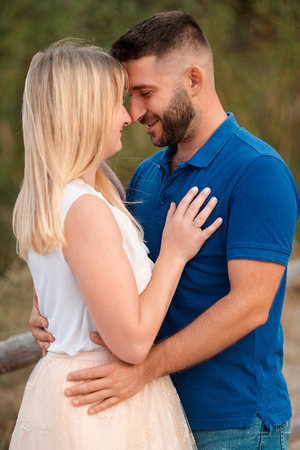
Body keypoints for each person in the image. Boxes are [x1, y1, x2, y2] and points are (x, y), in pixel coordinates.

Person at [30, 12, 300, 450]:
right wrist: (50, 305)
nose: (134, 112)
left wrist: (144, 368)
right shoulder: (146, 175)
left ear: (193, 79)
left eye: (144, 93)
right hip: (144, 414)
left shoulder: (258, 171)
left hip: (230, 421)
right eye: (128, 95)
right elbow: (114, 272)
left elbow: (250, 305)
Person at [10, 40, 224, 450]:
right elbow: (132, 343)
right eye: (115, 102)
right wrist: (174, 254)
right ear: (84, 113)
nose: (128, 116)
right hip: (101, 403)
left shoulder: (65, 196)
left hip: (84, 391)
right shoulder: (84, 207)